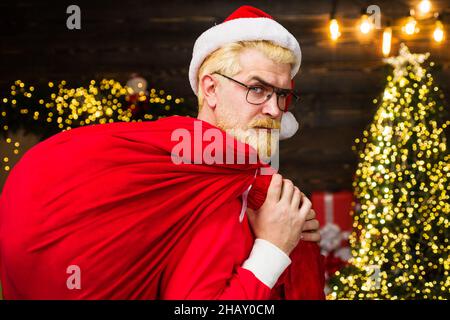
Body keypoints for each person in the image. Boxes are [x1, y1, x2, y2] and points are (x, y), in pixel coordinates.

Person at [0, 5, 325, 299]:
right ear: (211, 88)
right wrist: (273, 248)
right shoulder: (209, 185)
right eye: (257, 88)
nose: (274, 109)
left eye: (282, 95)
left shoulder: (244, 181)